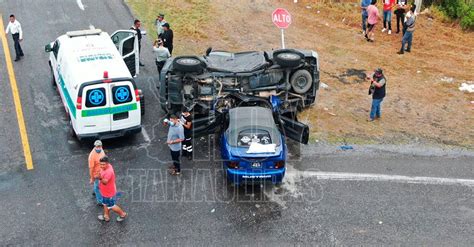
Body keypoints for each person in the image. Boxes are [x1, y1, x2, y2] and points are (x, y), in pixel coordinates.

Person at [97, 156, 127, 222]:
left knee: (111, 206)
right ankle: (106, 216)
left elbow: (105, 182)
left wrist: (100, 178)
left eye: (103, 164)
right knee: (105, 203)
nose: (101, 166)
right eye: (101, 164)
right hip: (105, 192)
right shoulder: (108, 166)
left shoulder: (109, 172)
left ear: (107, 163)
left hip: (108, 193)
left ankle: (122, 214)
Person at [88, 140, 106, 205]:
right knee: (98, 187)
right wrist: (92, 178)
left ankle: (95, 192)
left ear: (101, 146)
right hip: (96, 174)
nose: (98, 148)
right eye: (97, 147)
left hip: (101, 172)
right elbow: (91, 168)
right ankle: (100, 201)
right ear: (95, 146)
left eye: (99, 146)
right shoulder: (92, 156)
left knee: (98, 185)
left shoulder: (102, 151)